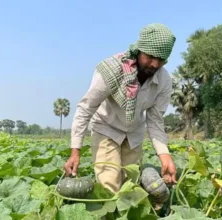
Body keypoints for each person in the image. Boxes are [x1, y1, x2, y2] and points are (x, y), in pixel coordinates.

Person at [63, 23, 177, 194]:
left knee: (129, 188)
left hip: (133, 135)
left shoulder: (164, 81)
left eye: (161, 59)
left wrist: (164, 155)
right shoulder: (112, 70)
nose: (155, 64)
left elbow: (155, 121)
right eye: (150, 57)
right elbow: (86, 109)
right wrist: (75, 151)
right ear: (140, 50)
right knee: (109, 187)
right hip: (106, 129)